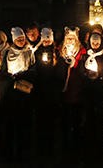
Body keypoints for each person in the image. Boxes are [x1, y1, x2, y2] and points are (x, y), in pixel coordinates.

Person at [0, 27, 35, 162]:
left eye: (23, 39)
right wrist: (11, 77)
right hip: (11, 92)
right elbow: (2, 70)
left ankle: (22, 151)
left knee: (24, 123)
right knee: (10, 122)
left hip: (24, 92)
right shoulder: (8, 52)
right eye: (18, 39)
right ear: (14, 40)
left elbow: (33, 68)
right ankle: (8, 150)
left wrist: (23, 75)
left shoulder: (29, 52)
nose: (21, 41)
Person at [81, 31, 103, 166]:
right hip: (88, 90)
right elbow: (81, 71)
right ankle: (89, 141)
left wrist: (101, 77)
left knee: (101, 116)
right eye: (93, 42)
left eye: (97, 42)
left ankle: (102, 143)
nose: (95, 44)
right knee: (89, 116)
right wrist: (87, 76)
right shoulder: (85, 56)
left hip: (100, 90)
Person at [56, 26, 87, 163]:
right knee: (64, 121)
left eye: (72, 39)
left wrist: (75, 65)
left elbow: (85, 71)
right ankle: (64, 147)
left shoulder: (82, 52)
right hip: (63, 92)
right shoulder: (59, 52)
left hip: (77, 92)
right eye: (68, 38)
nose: (70, 41)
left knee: (76, 120)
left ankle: (76, 148)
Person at [33, 27, 60, 157]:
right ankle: (40, 145)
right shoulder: (37, 51)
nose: (46, 41)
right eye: (44, 38)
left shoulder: (57, 52)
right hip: (40, 89)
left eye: (48, 38)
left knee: (51, 118)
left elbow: (60, 72)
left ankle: (50, 145)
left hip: (52, 90)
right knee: (40, 118)